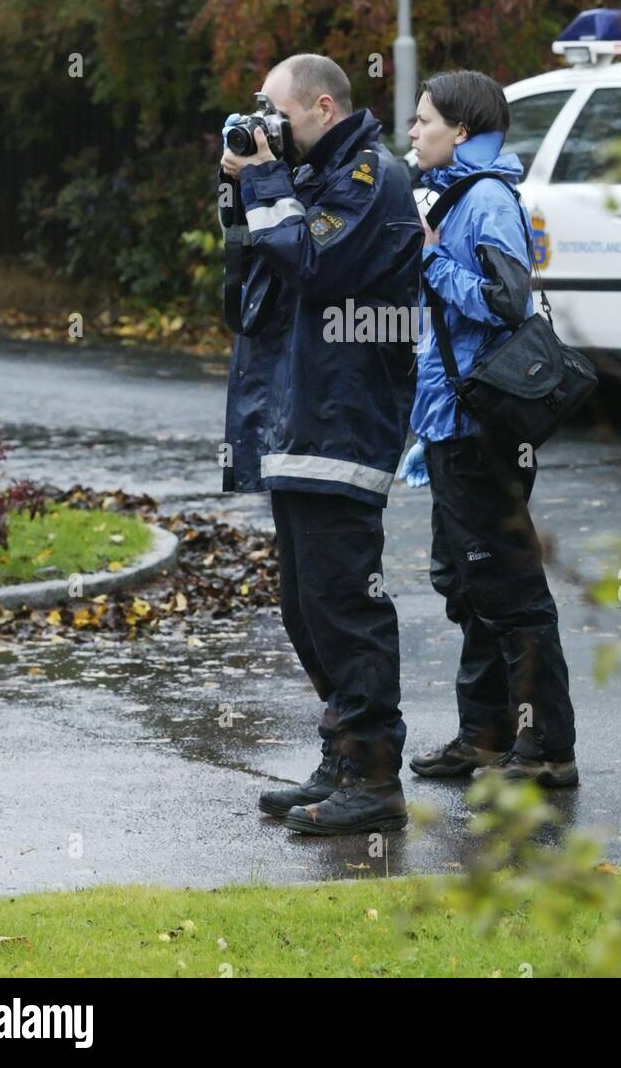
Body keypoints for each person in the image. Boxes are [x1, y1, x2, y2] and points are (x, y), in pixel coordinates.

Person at [219, 54, 424, 834]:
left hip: (342, 419)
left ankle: (375, 781)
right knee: (306, 610)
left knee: (346, 607)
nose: (265, 129)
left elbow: (314, 262)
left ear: (322, 105)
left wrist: (268, 185)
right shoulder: (303, 181)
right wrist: (240, 199)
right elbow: (248, 302)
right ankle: (344, 758)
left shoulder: (373, 178)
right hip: (296, 422)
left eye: (276, 114)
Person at [399, 69, 578, 788]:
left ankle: (546, 750)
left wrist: (429, 258)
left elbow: (507, 302)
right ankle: (484, 735)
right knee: (465, 580)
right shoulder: (455, 195)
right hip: (451, 421)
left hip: (484, 427)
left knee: (508, 589)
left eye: (422, 121)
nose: (411, 132)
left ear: (460, 131)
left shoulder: (486, 201)